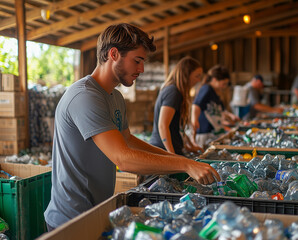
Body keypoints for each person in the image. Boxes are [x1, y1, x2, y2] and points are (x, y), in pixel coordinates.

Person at [44, 23, 220, 231]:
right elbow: (123, 158)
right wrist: (184, 165)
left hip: (97, 210)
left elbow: (128, 140)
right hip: (71, 219)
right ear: (114, 54)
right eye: (137, 61)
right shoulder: (85, 96)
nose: (141, 69)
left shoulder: (115, 97)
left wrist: (179, 160)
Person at [149, 56, 204, 155]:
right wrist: (172, 155)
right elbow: (162, 125)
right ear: (186, 75)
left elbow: (176, 127)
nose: (199, 80)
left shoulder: (176, 91)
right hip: (163, 150)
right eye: (197, 76)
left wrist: (189, 146)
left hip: (171, 148)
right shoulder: (173, 92)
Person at [191, 65, 240, 148]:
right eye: (223, 84)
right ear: (214, 79)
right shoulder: (206, 89)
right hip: (204, 132)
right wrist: (194, 120)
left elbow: (222, 110)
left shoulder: (215, 93)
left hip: (212, 132)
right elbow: (196, 105)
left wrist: (231, 116)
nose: (224, 87)